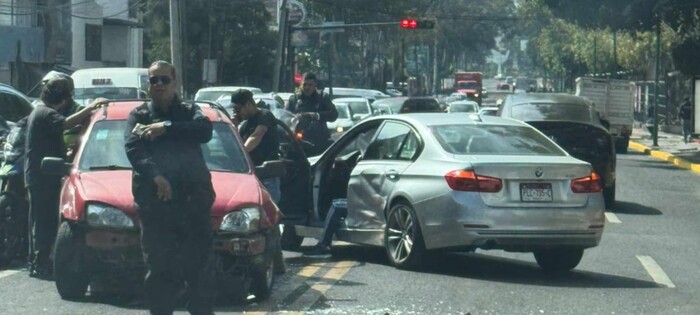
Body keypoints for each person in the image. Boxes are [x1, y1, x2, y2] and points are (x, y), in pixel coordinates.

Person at [124, 60, 216, 315]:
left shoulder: (189, 112)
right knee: (160, 270)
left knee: (198, 270)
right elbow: (134, 148)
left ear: (175, 82)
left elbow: (204, 130)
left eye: (165, 79)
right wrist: (156, 176)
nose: (159, 85)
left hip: (192, 203)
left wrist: (166, 128)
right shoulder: (139, 115)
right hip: (157, 205)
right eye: (154, 80)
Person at [24, 77, 106, 278]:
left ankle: (39, 261)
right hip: (42, 178)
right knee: (43, 221)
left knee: (42, 220)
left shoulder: (40, 112)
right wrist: (91, 108)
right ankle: (40, 263)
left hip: (41, 176)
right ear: (63, 98)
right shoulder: (46, 113)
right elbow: (65, 123)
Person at [231, 89, 281, 202]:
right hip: (250, 175)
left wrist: (242, 153)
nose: (237, 113)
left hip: (267, 176)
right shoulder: (245, 125)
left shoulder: (265, 115)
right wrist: (233, 126)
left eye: (238, 109)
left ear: (248, 104)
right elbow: (234, 144)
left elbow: (257, 135)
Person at [285, 72, 338, 156]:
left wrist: (316, 115)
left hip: (319, 141)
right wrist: (294, 119)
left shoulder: (322, 97)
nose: (307, 87)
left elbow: (334, 115)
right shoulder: (294, 99)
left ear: (315, 85)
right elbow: (285, 117)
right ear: (300, 84)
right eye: (304, 84)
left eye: (310, 85)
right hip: (299, 142)